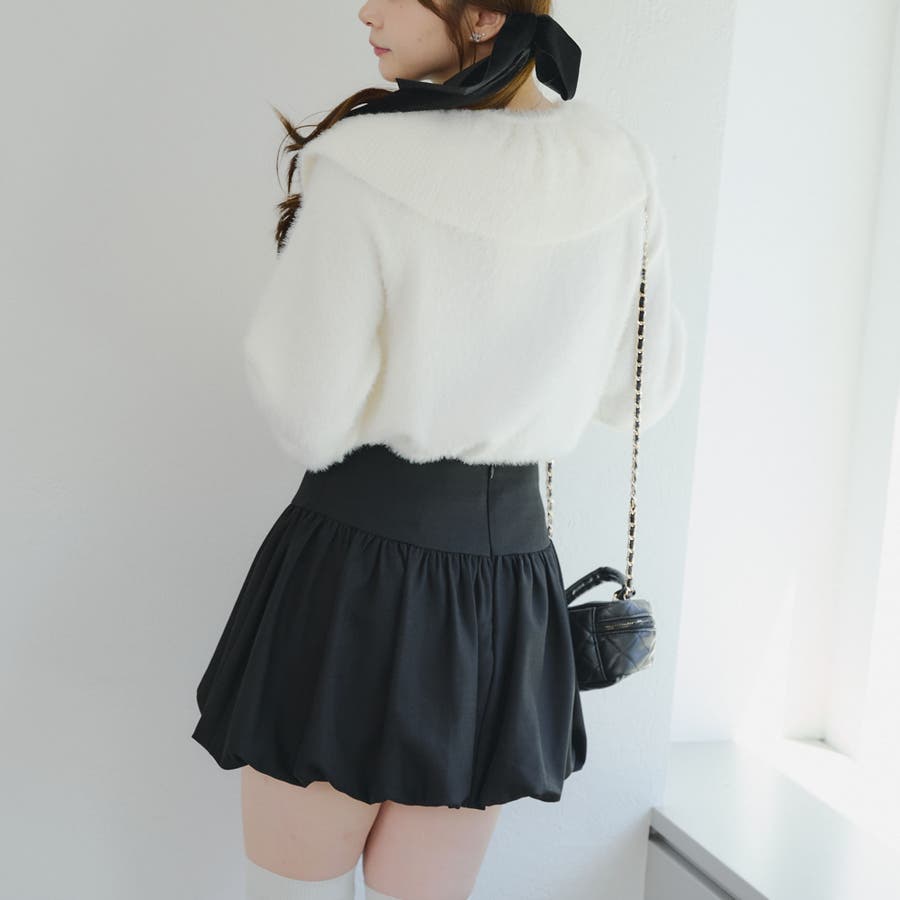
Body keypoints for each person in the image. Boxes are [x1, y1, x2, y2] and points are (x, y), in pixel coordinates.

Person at [190, 2, 688, 899]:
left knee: (294, 889)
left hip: (355, 565)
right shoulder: (619, 167)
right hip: (505, 585)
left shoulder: (370, 162)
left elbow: (307, 411)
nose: (366, 10)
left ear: (484, 15)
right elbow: (639, 391)